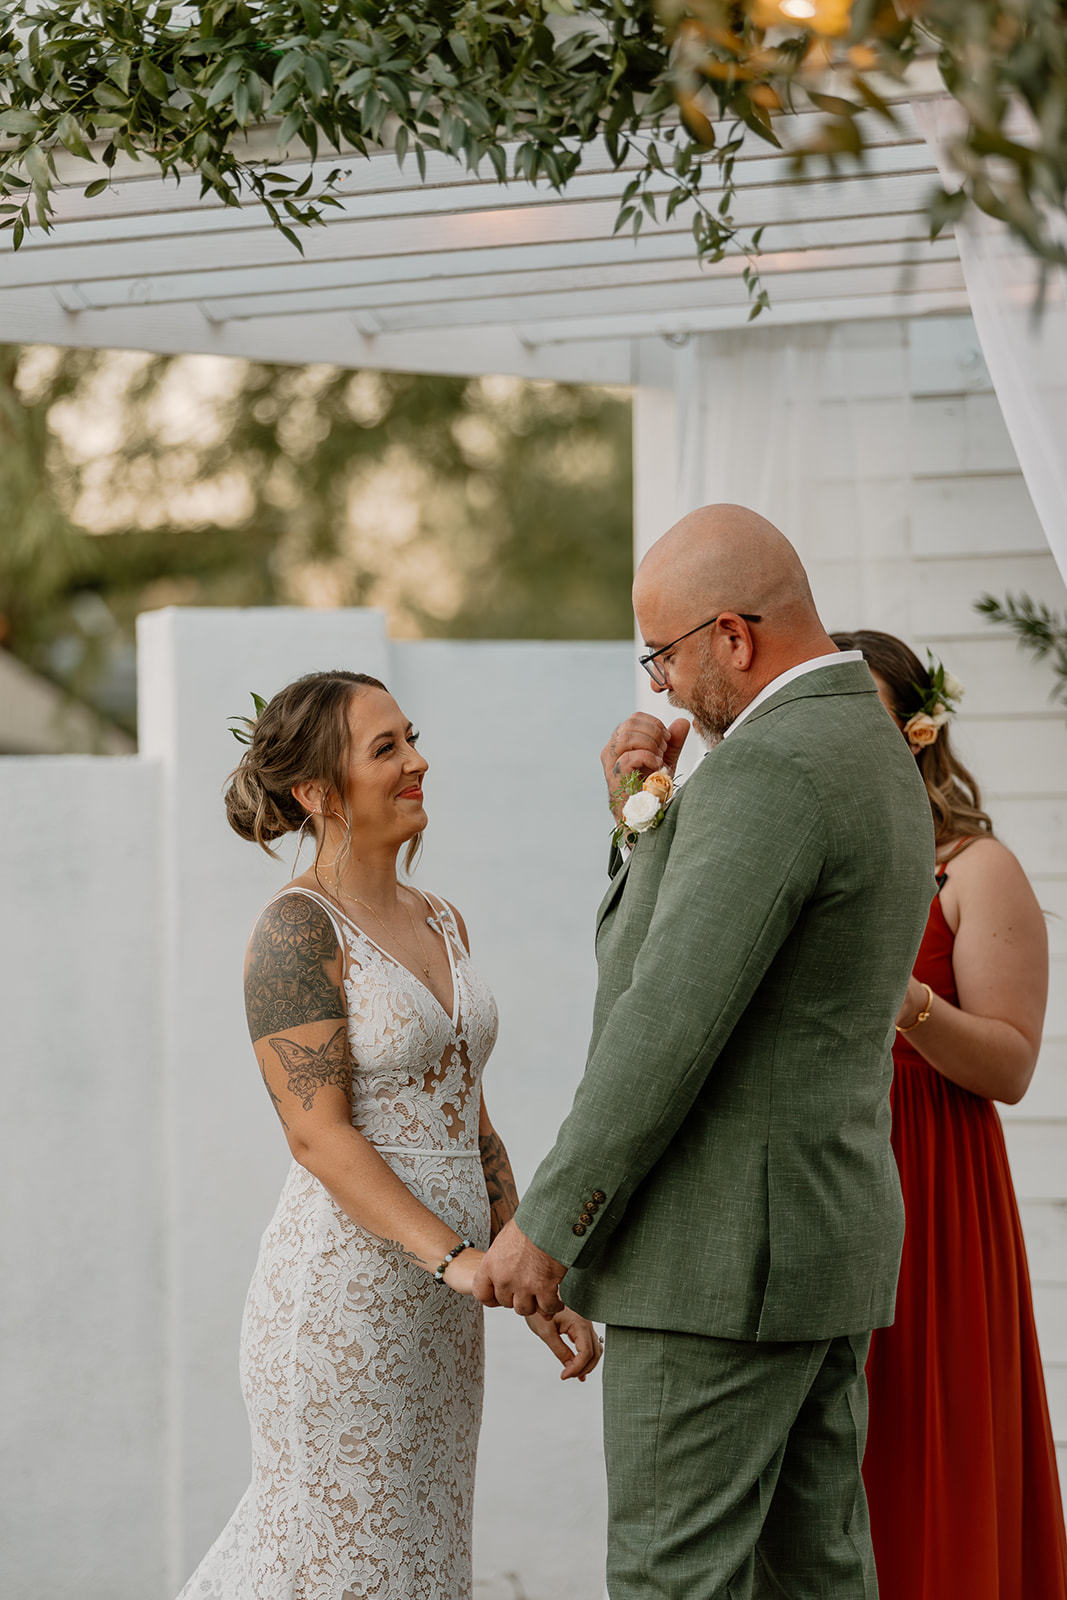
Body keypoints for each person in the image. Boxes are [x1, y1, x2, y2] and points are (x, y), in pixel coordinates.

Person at [474, 504, 936, 1599]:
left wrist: (548, 1220)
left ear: (731, 637)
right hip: (816, 1251)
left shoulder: (769, 770)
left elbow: (665, 1020)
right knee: (812, 1575)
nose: (659, 689)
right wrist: (643, 815)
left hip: (718, 1265)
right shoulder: (865, 746)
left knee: (668, 1579)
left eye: (663, 656)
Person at [177, 669, 601, 1600]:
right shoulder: (295, 930)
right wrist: (454, 1258)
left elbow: (469, 1115)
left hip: (450, 1309)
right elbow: (317, 1137)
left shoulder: (439, 918)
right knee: (333, 1560)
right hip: (344, 1302)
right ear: (317, 793)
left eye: (410, 737)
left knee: (421, 1557)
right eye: (386, 749)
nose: (417, 762)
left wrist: (536, 1271)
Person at [830, 629, 1067, 1600]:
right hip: (823, 1180)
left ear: (915, 730)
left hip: (930, 1190)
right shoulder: (803, 861)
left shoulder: (971, 869)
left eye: (858, 717)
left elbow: (1009, 1064)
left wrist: (907, 1001)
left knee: (930, 1445)